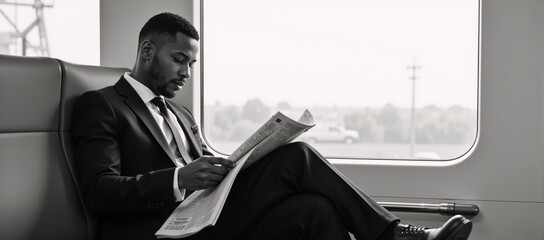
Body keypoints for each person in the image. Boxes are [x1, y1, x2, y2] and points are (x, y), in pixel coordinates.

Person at [72, 12, 473, 240]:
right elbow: (98, 190)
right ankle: (395, 237)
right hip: (159, 231)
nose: (187, 73)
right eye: (179, 59)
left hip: (204, 218)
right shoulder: (103, 105)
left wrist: (228, 166)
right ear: (147, 51)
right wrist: (179, 178)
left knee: (315, 210)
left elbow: (201, 166)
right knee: (295, 157)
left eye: (192, 64)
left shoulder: (180, 114)